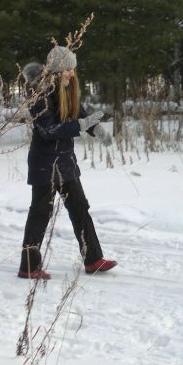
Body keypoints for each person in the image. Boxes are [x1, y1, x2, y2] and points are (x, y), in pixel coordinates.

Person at [18, 45, 117, 280]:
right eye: (68, 70)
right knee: (41, 213)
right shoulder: (39, 93)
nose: (71, 74)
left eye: (73, 70)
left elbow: (80, 116)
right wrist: (80, 127)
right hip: (44, 163)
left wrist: (97, 129)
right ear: (55, 70)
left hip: (65, 162)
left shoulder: (67, 89)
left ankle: (93, 259)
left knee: (80, 208)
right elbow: (48, 130)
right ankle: (29, 266)